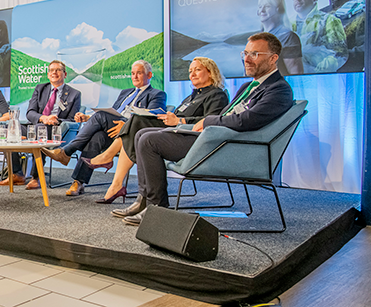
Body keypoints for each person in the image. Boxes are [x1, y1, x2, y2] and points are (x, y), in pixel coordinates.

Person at [114, 33, 293, 226]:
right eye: (245, 53)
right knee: (142, 133)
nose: (247, 59)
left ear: (273, 58)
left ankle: (157, 209)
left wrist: (207, 121)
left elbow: (247, 121)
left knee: (149, 140)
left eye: (254, 54)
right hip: (214, 138)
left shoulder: (279, 89)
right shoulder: (247, 87)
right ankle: (145, 200)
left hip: (226, 146)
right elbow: (227, 115)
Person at [84, 57, 228, 203]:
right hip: (172, 130)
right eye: (190, 71)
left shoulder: (217, 95)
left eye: (197, 70)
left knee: (137, 125)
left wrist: (180, 121)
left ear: (211, 73)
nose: (192, 74)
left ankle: (109, 161)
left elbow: (211, 122)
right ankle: (119, 185)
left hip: (186, 137)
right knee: (137, 123)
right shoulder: (191, 97)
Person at [43, 60, 167, 196]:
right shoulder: (125, 92)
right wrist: (88, 118)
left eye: (139, 73)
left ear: (149, 75)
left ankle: (67, 151)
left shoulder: (157, 94)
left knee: (101, 115)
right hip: (114, 131)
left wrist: (127, 125)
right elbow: (113, 112)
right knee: (96, 137)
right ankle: (79, 182)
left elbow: (150, 119)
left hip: (131, 134)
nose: (135, 76)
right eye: (132, 73)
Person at [0, 60, 81, 189]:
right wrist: (43, 118)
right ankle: (16, 173)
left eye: (58, 70)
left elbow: (72, 119)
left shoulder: (74, 94)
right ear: (48, 74)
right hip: (37, 124)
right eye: (51, 70)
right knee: (10, 128)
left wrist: (55, 120)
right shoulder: (40, 88)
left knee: (40, 130)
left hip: (57, 130)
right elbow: (30, 112)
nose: (54, 72)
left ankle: (36, 177)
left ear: (65, 74)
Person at [288, 0, 347, 73]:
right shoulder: (287, 24)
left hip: (320, 77)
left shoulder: (328, 20)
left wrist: (320, 70)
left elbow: (339, 53)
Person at [320, 0, 365, 72]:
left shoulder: (362, 9)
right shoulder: (320, 14)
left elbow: (365, 49)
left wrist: (335, 59)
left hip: (348, 75)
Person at [257, 0, 303, 74]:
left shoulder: (287, 37)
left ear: (278, 9)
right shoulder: (256, 38)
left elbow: (296, 73)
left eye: (267, 6)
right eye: (260, 7)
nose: (262, 10)